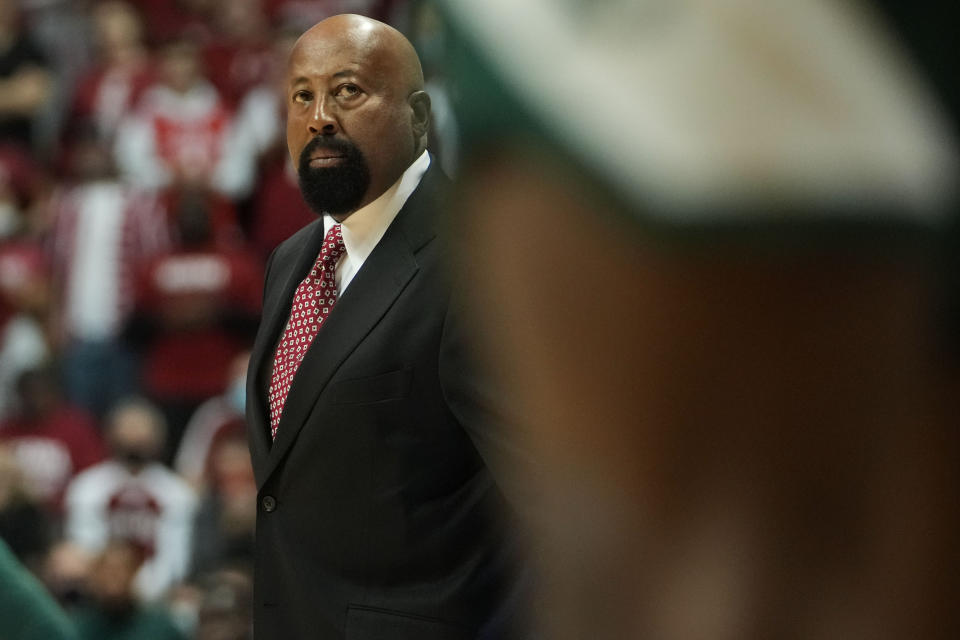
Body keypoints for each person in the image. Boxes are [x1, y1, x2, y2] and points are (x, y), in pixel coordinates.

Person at [245, 14, 524, 640]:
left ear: (419, 115)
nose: (319, 116)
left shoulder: (474, 261)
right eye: (301, 95)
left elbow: (552, 509)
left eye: (347, 91)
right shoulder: (290, 262)